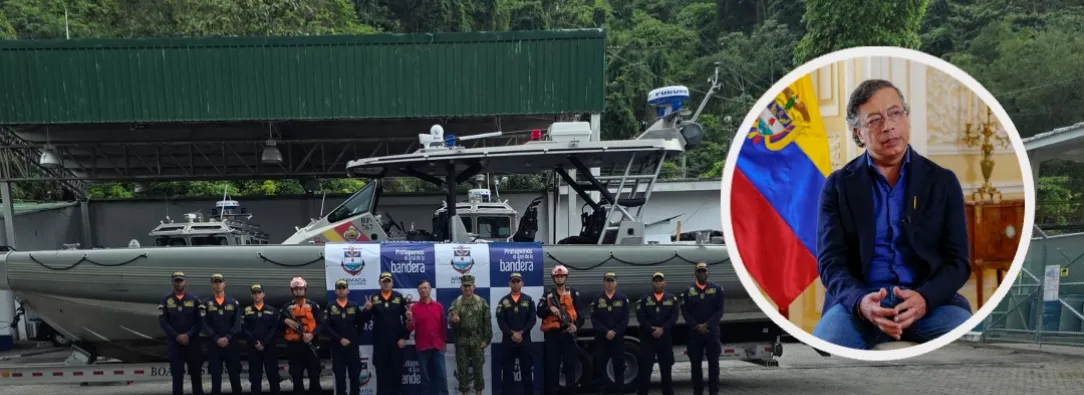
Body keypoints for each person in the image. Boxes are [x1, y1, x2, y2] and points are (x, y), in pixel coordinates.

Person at [813, 79, 973, 350]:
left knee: (971, 337)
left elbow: (958, 262)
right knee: (828, 341)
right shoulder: (838, 187)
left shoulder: (942, 182)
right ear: (858, 132)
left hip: (928, 304)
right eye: (874, 120)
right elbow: (830, 263)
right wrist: (862, 302)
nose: (888, 126)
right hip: (860, 307)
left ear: (906, 118)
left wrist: (924, 298)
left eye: (895, 113)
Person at [537, 265, 583, 395]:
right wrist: (549, 309)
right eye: (557, 276)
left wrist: (575, 326)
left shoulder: (573, 293)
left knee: (570, 367)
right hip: (553, 337)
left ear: (566, 277)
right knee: (553, 368)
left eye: (561, 276)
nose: (559, 278)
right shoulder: (548, 294)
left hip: (568, 336)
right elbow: (539, 312)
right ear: (553, 278)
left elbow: (580, 315)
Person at [157, 271, 205, 395]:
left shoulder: (194, 299)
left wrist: (188, 335)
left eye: (181, 280)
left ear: (185, 282)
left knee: (196, 375)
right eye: (176, 280)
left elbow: (200, 321)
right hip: (175, 344)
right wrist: (177, 336)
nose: (178, 283)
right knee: (177, 375)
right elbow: (163, 322)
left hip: (192, 343)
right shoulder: (166, 300)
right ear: (172, 282)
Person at [680, 263, 724, 395]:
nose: (701, 274)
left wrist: (707, 325)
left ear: (707, 273)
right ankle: (697, 392)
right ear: (695, 274)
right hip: (695, 334)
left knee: (714, 365)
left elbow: (720, 310)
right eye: (699, 271)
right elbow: (685, 312)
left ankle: (713, 392)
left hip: (712, 333)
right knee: (695, 365)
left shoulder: (717, 289)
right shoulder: (688, 291)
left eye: (703, 271)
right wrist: (696, 326)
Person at [634, 272, 678, 395]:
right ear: (652, 283)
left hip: (665, 337)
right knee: (646, 369)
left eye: (660, 281)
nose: (658, 283)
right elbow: (640, 316)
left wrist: (663, 328)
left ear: (664, 283)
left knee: (666, 368)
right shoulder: (644, 299)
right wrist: (651, 329)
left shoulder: (671, 299)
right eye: (655, 281)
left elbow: (674, 316)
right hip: (648, 337)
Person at [448, 274, 492, 395]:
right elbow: (450, 321)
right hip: (461, 341)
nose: (467, 288)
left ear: (474, 287)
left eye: (469, 285)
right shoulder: (456, 302)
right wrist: (454, 320)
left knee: (478, 370)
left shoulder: (481, 302)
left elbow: (487, 322)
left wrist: (486, 340)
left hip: (477, 341)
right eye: (464, 286)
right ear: (461, 287)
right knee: (462, 371)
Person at [366, 272, 410, 395]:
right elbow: (364, 319)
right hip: (380, 344)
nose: (386, 283)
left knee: (397, 373)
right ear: (380, 283)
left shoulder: (399, 297)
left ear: (392, 283)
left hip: (396, 343)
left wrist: (404, 337)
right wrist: (367, 310)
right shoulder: (374, 298)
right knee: (381, 375)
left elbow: (408, 320)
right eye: (384, 281)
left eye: (388, 281)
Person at [494, 272, 537, 395]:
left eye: (518, 281)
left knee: (527, 371)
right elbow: (501, 321)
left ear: (522, 283)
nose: (516, 284)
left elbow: (532, 319)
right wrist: (512, 334)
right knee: (507, 373)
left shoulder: (528, 300)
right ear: (509, 283)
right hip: (509, 342)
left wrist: (522, 332)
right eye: (513, 281)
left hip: (525, 341)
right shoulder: (504, 301)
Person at [202, 274, 243, 395]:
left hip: (231, 345)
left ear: (225, 284)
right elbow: (204, 324)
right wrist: (216, 338)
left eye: (220, 282)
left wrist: (228, 337)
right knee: (215, 377)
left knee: (235, 375)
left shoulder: (233, 302)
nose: (217, 284)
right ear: (211, 285)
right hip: (214, 345)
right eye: (215, 282)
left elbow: (237, 323)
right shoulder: (205, 303)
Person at [281, 277, 323, 395]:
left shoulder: (313, 306)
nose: (298, 291)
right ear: (292, 290)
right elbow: (278, 327)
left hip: (311, 346)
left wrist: (312, 334)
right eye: (295, 289)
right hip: (294, 348)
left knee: (314, 377)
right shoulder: (286, 307)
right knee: (296, 377)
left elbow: (321, 324)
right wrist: (285, 321)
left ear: (305, 289)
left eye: (300, 288)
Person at [324, 279, 367, 395]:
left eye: (344, 288)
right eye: (339, 288)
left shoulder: (354, 306)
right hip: (337, 347)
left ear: (348, 291)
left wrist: (354, 337)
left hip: (352, 347)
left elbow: (361, 322)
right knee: (340, 377)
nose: (341, 290)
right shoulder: (330, 307)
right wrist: (339, 339)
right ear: (335, 291)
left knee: (355, 376)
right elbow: (326, 327)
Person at [407, 279, 449, 395]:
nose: (424, 290)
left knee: (442, 376)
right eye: (421, 289)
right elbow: (411, 328)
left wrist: (444, 341)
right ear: (418, 291)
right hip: (422, 346)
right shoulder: (414, 308)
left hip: (437, 346)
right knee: (424, 378)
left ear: (430, 289)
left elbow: (443, 325)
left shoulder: (438, 306)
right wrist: (410, 318)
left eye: (426, 288)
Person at [590, 272, 629, 395]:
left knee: (619, 365)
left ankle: (619, 391)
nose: (610, 283)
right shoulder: (597, 299)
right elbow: (594, 319)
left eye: (612, 280)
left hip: (618, 338)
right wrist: (606, 331)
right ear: (603, 282)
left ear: (616, 282)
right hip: (602, 338)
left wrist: (615, 332)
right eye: (607, 280)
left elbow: (625, 319)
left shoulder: (622, 299)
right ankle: (602, 391)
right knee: (600, 365)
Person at [241, 284, 281, 395]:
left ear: (263, 294)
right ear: (251, 295)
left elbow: (275, 328)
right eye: (254, 293)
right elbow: (244, 329)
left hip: (269, 349)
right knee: (255, 379)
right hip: (253, 349)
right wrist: (255, 342)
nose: (257, 295)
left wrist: (264, 342)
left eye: (259, 292)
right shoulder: (247, 311)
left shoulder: (271, 310)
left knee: (273, 377)